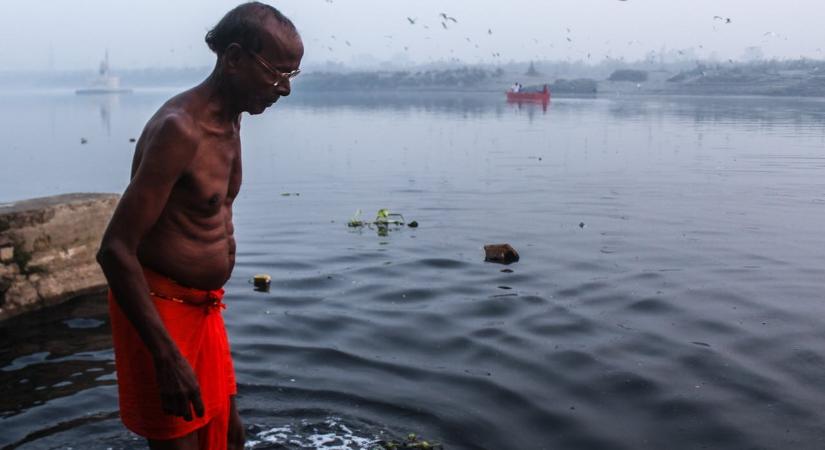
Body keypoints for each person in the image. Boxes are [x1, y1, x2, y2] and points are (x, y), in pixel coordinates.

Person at [96, 3, 303, 449]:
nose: (284, 89)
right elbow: (114, 249)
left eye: (292, 76)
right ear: (233, 59)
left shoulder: (232, 119)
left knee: (231, 438)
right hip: (161, 312)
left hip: (205, 310)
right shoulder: (180, 130)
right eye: (276, 73)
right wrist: (165, 356)